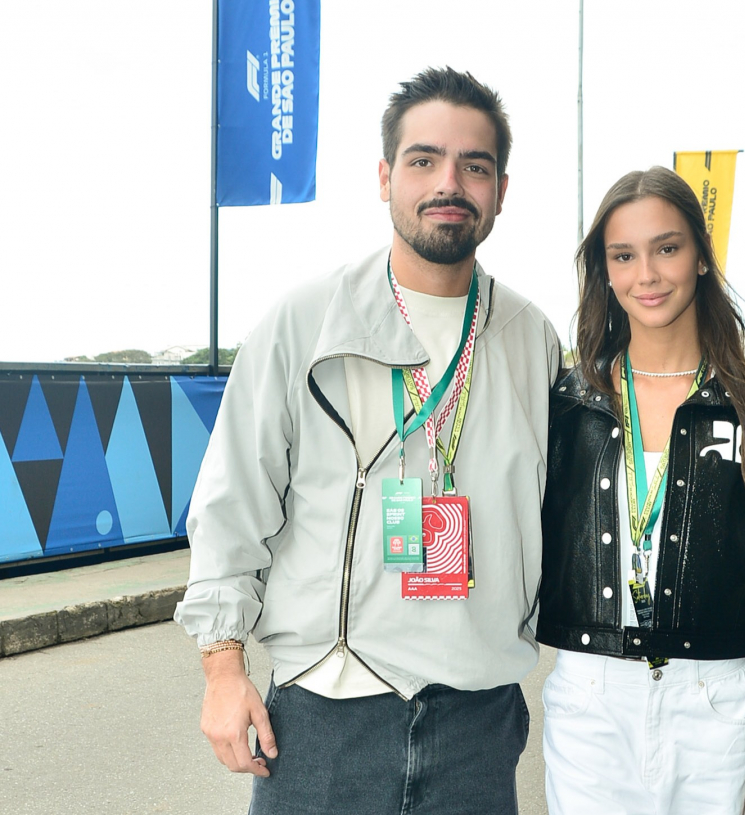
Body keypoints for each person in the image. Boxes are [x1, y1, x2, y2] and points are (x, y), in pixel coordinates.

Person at [173, 67, 561, 815]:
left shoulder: (529, 338)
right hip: (322, 713)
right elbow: (232, 503)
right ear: (385, 177)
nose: (448, 182)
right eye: (423, 160)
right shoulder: (304, 320)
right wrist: (224, 668)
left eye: (474, 165)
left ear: (501, 190)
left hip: (477, 721)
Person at [537, 167, 745, 815]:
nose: (648, 274)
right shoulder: (567, 401)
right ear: (604, 270)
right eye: (624, 255)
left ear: (699, 258)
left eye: (667, 248)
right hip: (590, 694)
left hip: (716, 696)